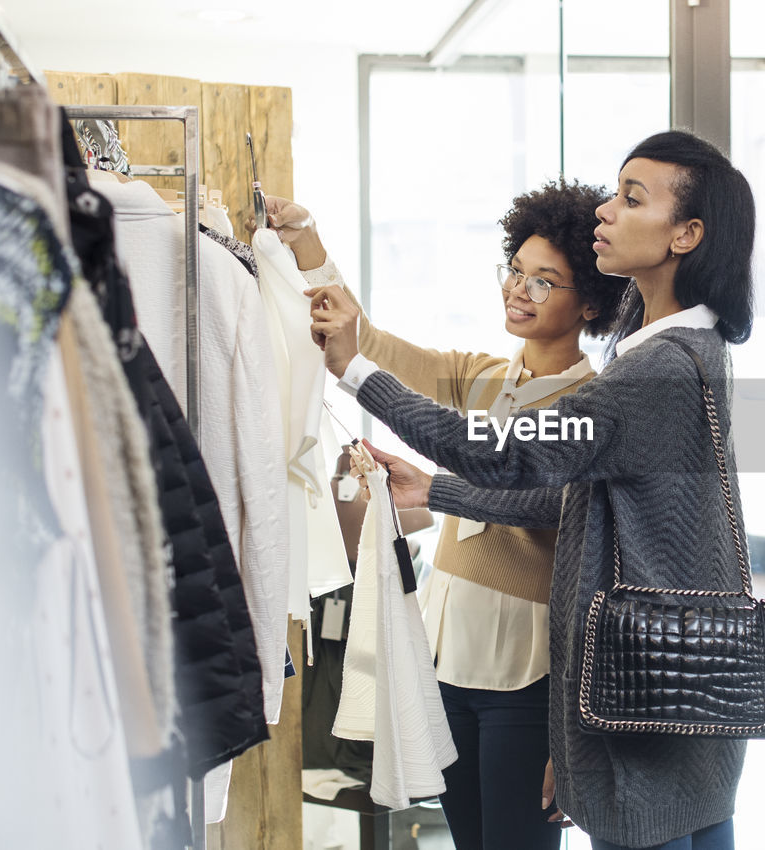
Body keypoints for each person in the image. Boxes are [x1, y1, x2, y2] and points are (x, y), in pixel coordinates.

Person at [308, 130, 757, 850]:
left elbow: (498, 453)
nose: (607, 212)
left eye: (631, 198)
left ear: (686, 235)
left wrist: (356, 375)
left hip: (640, 692)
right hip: (669, 690)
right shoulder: (687, 354)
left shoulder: (655, 372)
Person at [257, 181, 627, 850]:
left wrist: (436, 490)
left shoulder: (595, 404)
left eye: (545, 282)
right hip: (447, 659)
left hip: (529, 668)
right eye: (515, 271)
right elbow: (368, 343)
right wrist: (307, 242)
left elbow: (554, 510)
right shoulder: (485, 378)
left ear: (591, 302)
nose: (519, 290)